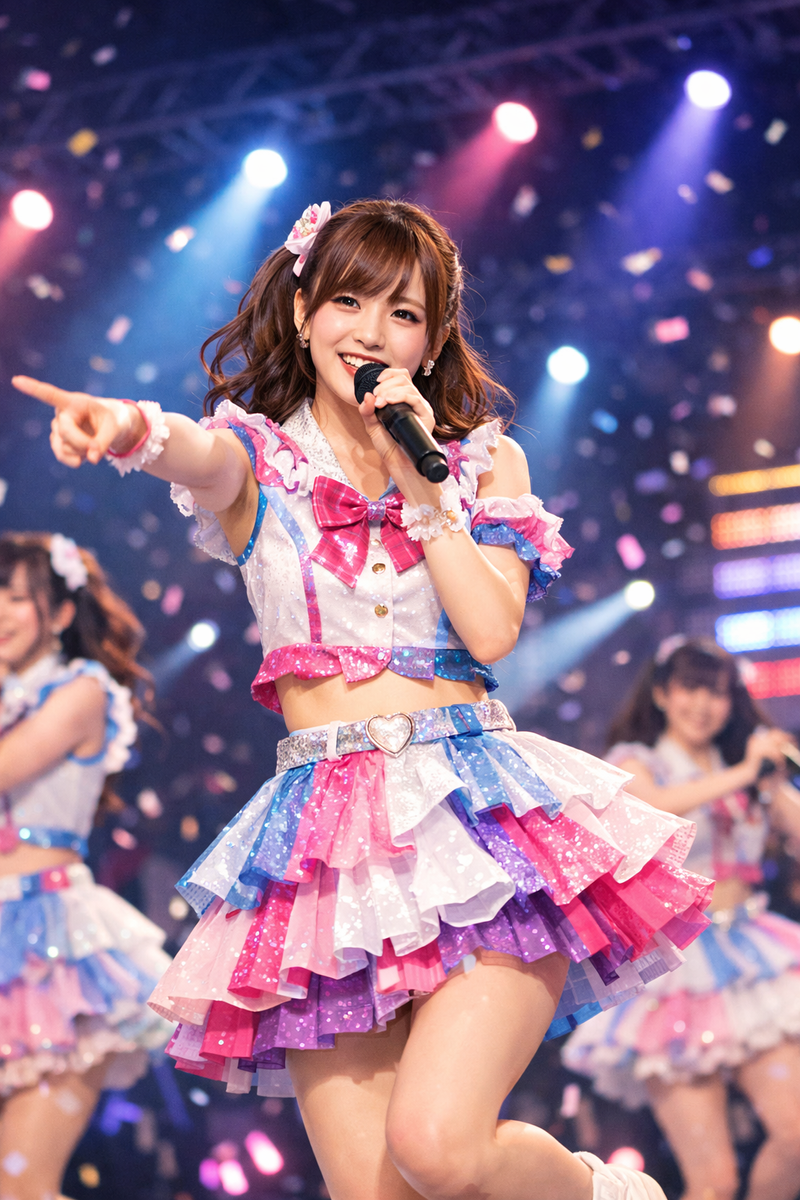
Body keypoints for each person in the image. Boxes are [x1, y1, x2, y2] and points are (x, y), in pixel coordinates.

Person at [13, 199, 715, 1200]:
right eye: (349, 301)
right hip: (323, 848)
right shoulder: (259, 460)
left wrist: (422, 482)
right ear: (304, 311)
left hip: (480, 823)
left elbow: (491, 632)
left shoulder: (483, 462)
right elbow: (189, 449)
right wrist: (125, 426)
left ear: (431, 340)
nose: (372, 333)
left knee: (437, 1148)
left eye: (404, 314)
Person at [562, 636, 800, 1200]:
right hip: (674, 971)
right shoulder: (635, 760)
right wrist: (745, 772)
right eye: (691, 688)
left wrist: (772, 779)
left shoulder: (743, 763)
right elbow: (655, 810)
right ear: (663, 694)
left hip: (754, 956)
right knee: (712, 1182)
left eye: (717, 692)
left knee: (796, 1138)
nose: (703, 704)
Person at [0, 532, 172, 1200]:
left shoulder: (83, 691)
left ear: (63, 613)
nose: (1, 612)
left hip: (55, 951)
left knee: (20, 1183)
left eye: (17, 598)